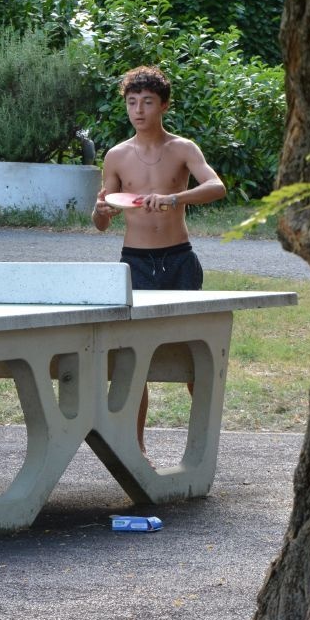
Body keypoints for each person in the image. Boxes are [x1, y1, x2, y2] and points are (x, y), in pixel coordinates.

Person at [92, 65, 226, 451]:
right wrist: (102, 212)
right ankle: (137, 450)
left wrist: (174, 199)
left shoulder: (182, 149)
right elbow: (102, 217)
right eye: (132, 102)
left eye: (147, 102)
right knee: (133, 362)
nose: (139, 110)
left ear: (163, 105)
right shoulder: (117, 155)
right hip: (134, 262)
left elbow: (217, 187)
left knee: (192, 356)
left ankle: (203, 445)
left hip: (179, 260)